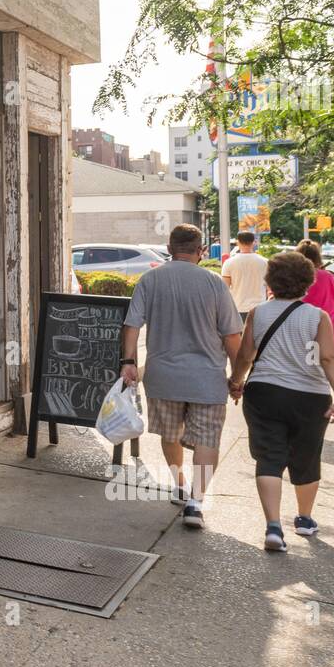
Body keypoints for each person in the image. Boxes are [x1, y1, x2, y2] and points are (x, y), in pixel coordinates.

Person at [120, 223, 244, 529]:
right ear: (201, 251)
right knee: (207, 438)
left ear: (169, 247)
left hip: (164, 376)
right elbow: (232, 336)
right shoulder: (215, 283)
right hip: (208, 377)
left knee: (170, 433)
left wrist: (129, 362)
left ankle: (178, 483)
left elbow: (131, 325)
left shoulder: (150, 280)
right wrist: (238, 376)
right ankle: (195, 502)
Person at [228, 252, 334, 552]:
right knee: (307, 456)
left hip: (265, 392)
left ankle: (273, 527)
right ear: (307, 282)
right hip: (310, 396)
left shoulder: (258, 312)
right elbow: (329, 357)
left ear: (270, 281)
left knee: (270, 456)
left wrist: (237, 381)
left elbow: (245, 355)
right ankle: (304, 520)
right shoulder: (317, 316)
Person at [295, 239, 334, 354]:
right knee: (327, 364)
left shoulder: (293, 277)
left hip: (299, 327)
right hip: (329, 329)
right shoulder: (327, 276)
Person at [221, 230, 268, 314]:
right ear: (254, 242)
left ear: (237, 242)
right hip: (261, 308)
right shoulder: (265, 262)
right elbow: (270, 287)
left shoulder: (229, 263)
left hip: (238, 307)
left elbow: (224, 288)